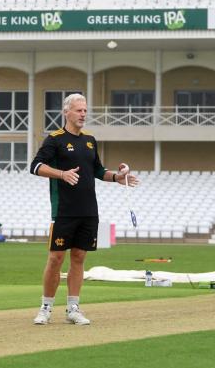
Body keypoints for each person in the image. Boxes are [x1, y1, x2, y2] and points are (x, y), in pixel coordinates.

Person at [29, 93, 138, 325]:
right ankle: (46, 307)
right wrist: (61, 174)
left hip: (89, 210)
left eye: (85, 110)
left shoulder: (90, 140)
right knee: (56, 258)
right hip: (63, 211)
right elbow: (36, 166)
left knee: (78, 258)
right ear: (66, 112)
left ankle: (73, 309)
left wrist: (117, 177)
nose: (83, 114)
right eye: (79, 110)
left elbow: (98, 171)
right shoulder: (54, 139)